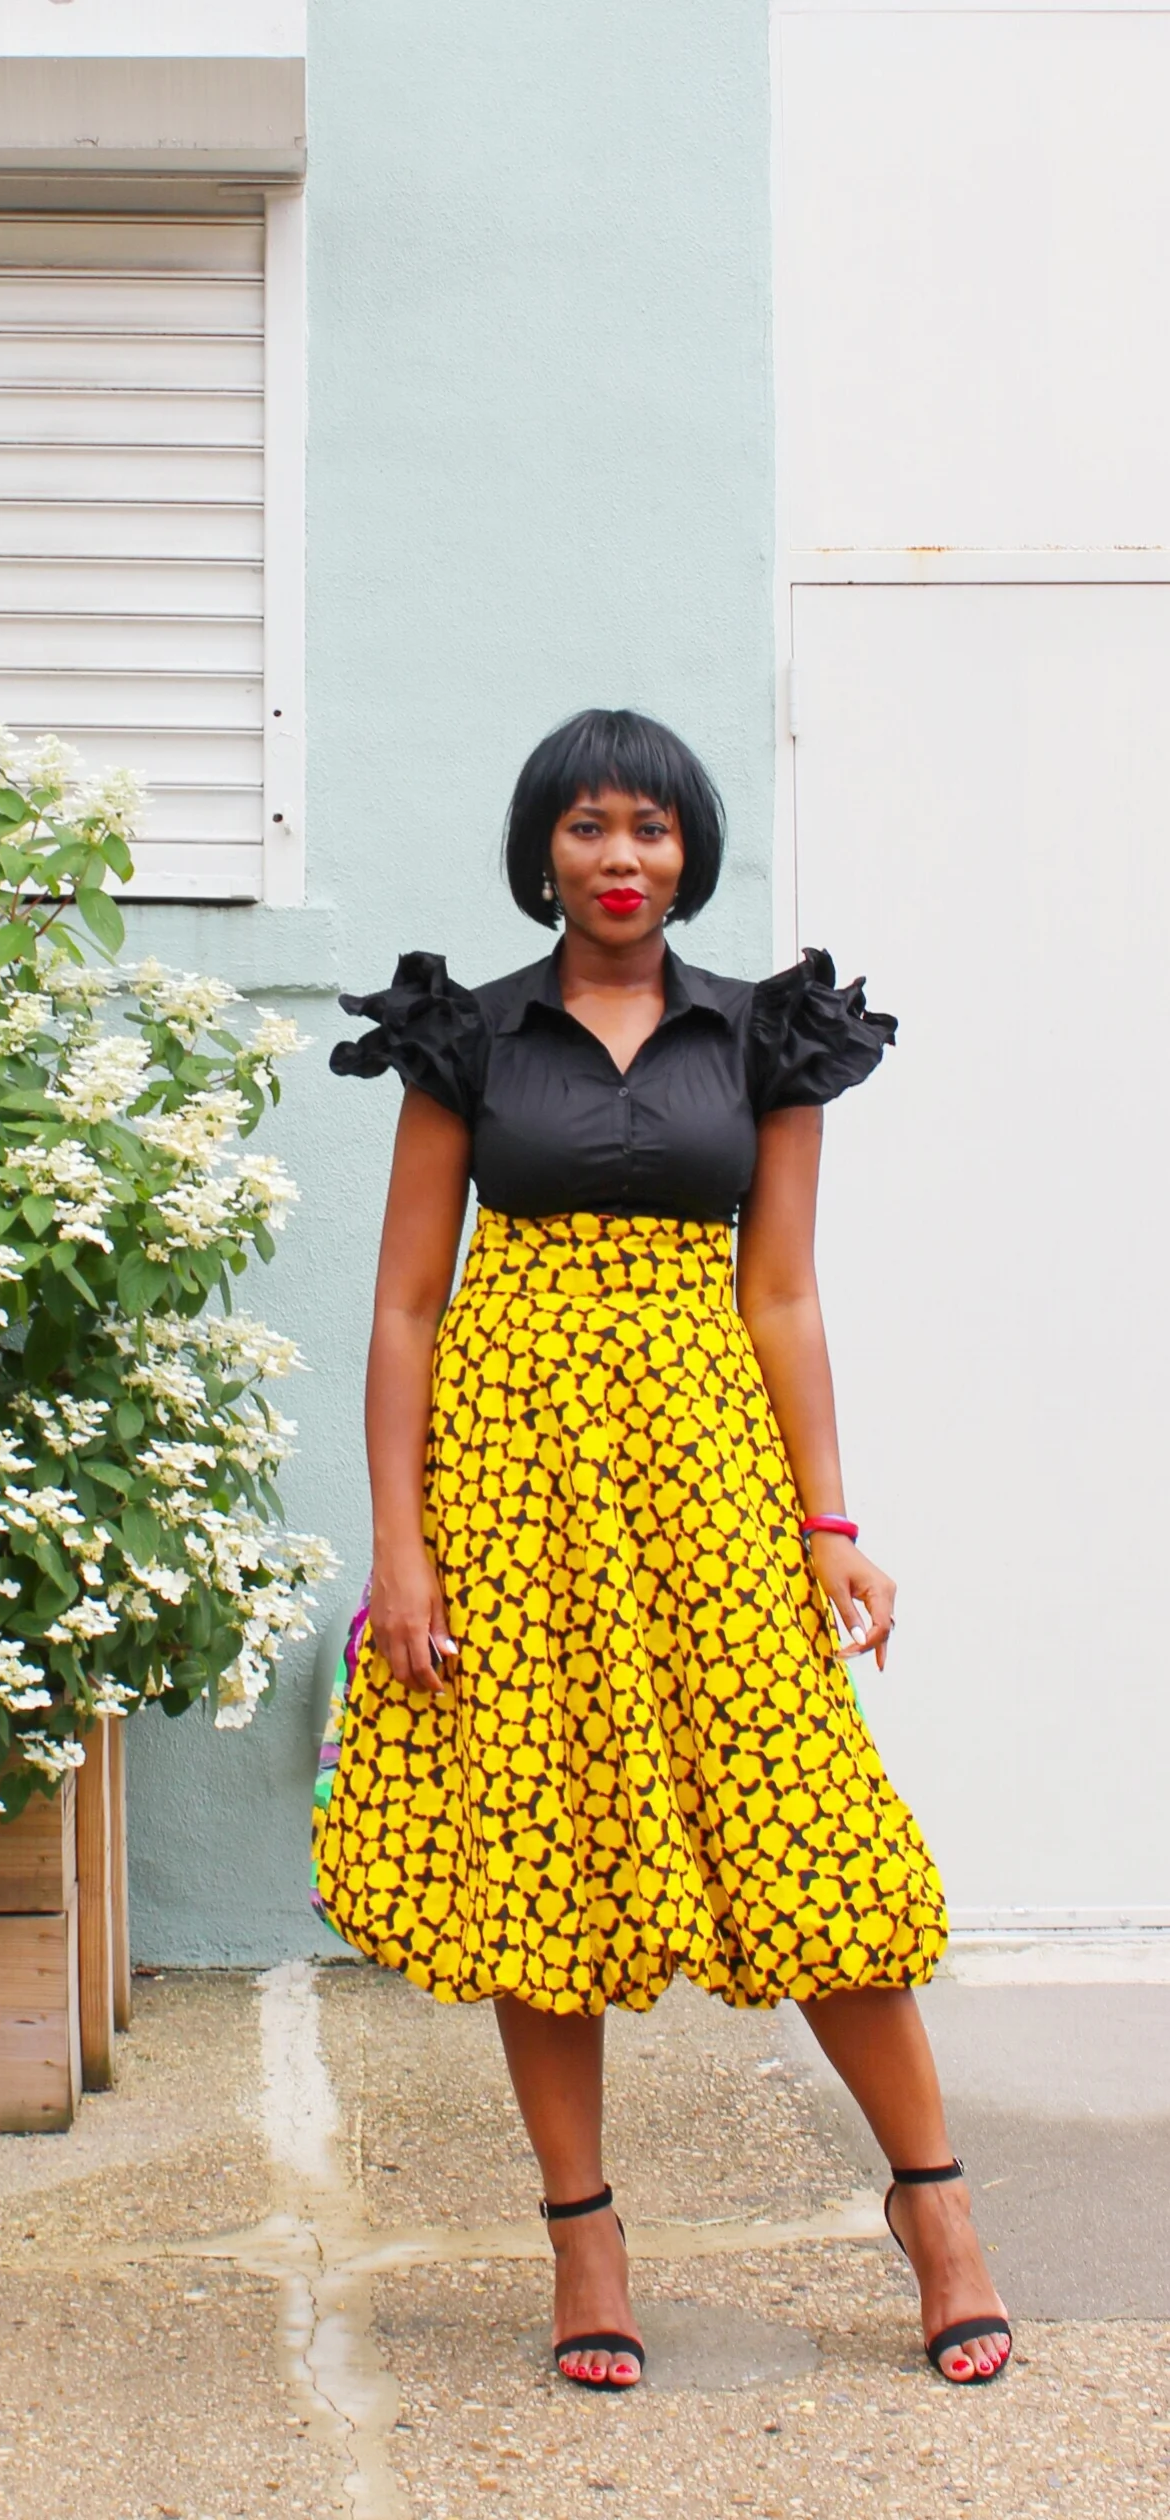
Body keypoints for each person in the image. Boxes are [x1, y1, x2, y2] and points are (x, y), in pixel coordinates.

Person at [314, 708, 1011, 2392]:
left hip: (707, 1481)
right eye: (585, 828)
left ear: (688, 850)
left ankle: (935, 2215)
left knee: (808, 1834)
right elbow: (405, 1307)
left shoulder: (766, 1035)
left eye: (650, 827)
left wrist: (827, 1524)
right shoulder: (467, 1038)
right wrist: (400, 1549)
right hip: (508, 1487)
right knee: (541, 1849)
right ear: (540, 852)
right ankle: (584, 2242)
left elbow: (781, 1292)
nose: (618, 857)